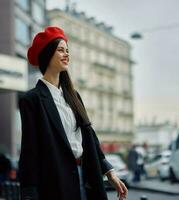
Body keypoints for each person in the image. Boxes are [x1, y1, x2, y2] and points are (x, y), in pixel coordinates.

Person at [19, 26, 128, 200]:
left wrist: (110, 172)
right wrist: (29, 194)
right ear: (47, 54)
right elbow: (29, 152)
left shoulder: (73, 95)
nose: (66, 54)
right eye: (60, 50)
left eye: (67, 50)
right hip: (55, 183)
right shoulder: (32, 99)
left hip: (87, 177)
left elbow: (90, 136)